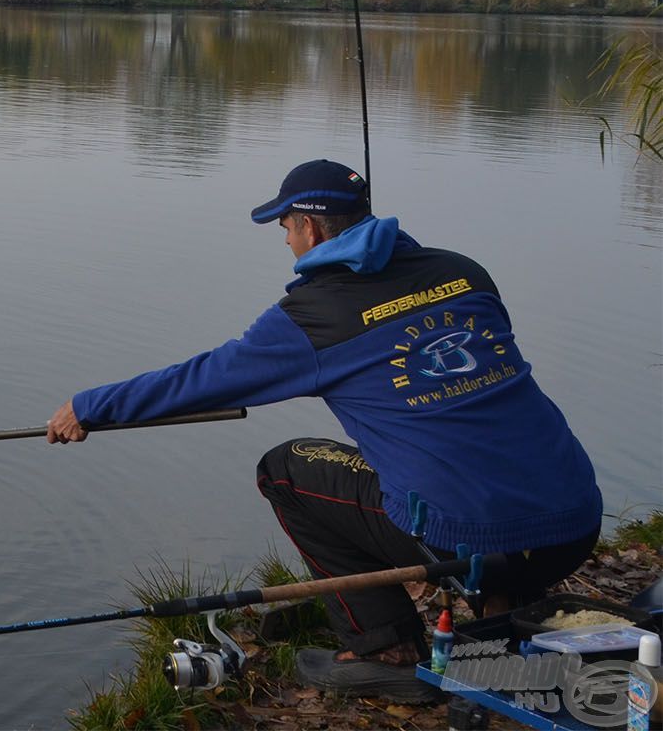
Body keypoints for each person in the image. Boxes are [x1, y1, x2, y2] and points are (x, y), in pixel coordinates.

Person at [46, 159, 600, 703]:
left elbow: (201, 380)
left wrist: (90, 406)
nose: (286, 241)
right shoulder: (464, 272)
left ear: (308, 227)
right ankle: (499, 614)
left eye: (285, 228)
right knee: (456, 437)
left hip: (464, 540)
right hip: (574, 522)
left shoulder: (313, 315)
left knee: (287, 470)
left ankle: (384, 649)